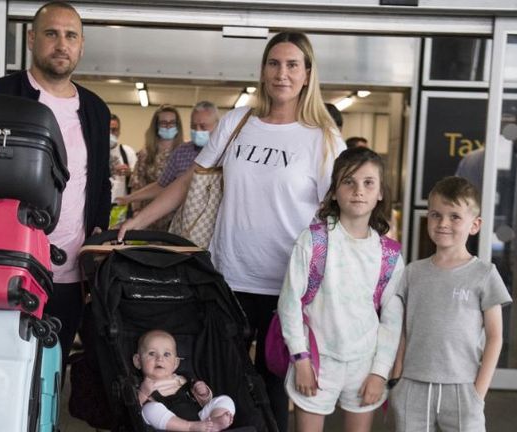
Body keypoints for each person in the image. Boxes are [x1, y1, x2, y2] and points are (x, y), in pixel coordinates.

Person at [119, 31, 346, 431]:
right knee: (223, 379)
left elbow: (338, 216)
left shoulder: (323, 139)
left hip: (286, 285)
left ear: (308, 74)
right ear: (262, 70)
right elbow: (191, 179)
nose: (282, 74)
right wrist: (137, 219)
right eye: (274, 63)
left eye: (293, 65)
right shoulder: (238, 123)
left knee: (273, 384)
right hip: (227, 275)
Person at [0, 1, 111, 363]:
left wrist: (97, 241)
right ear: (32, 38)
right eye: (52, 33)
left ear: (81, 46)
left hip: (68, 271)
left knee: (54, 366)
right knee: (2, 364)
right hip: (8, 262)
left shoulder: (96, 109)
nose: (61, 44)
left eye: (71, 36)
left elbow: (100, 182)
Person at [277, 147, 404, 432]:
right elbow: (289, 304)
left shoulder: (389, 255)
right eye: (349, 181)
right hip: (315, 361)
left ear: (380, 192)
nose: (359, 190)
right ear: (334, 191)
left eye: (368, 183)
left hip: (365, 363)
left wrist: (379, 373)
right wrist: (300, 359)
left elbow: (392, 320)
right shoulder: (313, 241)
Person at [390, 176, 511, 432]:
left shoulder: (485, 274)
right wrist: (397, 378)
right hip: (412, 385)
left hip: (463, 389)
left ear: (475, 225)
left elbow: (495, 337)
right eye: (435, 215)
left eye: (455, 216)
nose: (443, 223)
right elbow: (401, 330)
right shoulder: (412, 273)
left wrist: (478, 393)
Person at [116, 101, 219, 210]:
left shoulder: (226, 152)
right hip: (167, 214)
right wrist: (130, 199)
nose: (198, 131)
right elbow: (161, 185)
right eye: (193, 126)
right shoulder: (182, 152)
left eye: (203, 127)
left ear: (218, 126)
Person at [134, 329, 236, 432]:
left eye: (166, 354)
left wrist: (203, 393)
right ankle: (190, 427)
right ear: (138, 361)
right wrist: (143, 393)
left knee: (225, 400)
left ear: (176, 363)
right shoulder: (140, 385)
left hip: (200, 419)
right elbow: (133, 411)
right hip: (172, 426)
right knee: (149, 410)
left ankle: (213, 424)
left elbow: (204, 403)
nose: (160, 358)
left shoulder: (184, 378)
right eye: (152, 353)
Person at [129, 104, 185, 230]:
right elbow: (137, 185)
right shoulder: (145, 154)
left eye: (172, 123)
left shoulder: (184, 152)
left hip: (176, 219)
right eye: (164, 123)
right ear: (156, 126)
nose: (168, 126)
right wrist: (136, 211)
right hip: (149, 217)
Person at [109, 113, 138, 203]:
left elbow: (138, 179)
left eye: (114, 130)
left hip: (121, 206)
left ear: (119, 132)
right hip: (99, 205)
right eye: (107, 129)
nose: (110, 133)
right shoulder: (94, 154)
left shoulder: (128, 152)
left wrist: (130, 173)